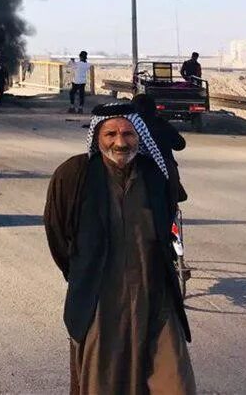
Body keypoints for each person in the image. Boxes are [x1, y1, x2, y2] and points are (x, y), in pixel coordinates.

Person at [43, 102, 195, 395]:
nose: (120, 142)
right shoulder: (75, 174)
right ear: (97, 136)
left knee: (173, 380)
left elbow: (166, 224)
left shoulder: (154, 174)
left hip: (154, 295)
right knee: (104, 381)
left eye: (128, 133)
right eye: (110, 133)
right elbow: (58, 234)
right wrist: (81, 273)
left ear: (139, 136)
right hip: (100, 299)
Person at [132, 91, 189, 202]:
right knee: (174, 193)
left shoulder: (128, 126)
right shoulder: (161, 124)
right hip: (164, 166)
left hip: (135, 167)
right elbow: (180, 144)